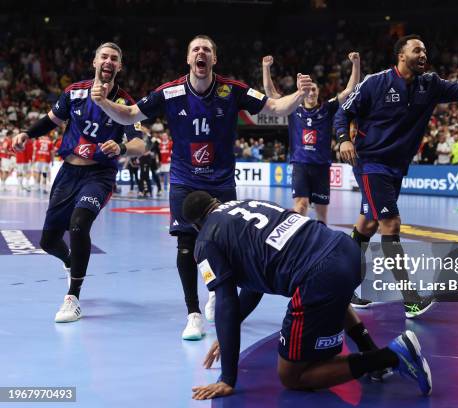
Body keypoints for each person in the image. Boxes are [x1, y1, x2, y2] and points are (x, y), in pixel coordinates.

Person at [91, 35, 313, 340]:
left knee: (224, 246)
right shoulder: (169, 92)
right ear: (188, 59)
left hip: (220, 183)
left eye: (206, 50)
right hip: (184, 180)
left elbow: (276, 107)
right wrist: (103, 102)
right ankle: (192, 313)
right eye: (195, 49)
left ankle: (217, 293)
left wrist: (300, 95)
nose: (201, 53)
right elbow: (129, 115)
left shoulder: (232, 90)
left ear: (213, 60)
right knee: (185, 246)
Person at [181, 191, 432, 400]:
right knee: (332, 295)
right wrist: (230, 331)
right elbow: (254, 285)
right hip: (347, 250)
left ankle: (390, 356)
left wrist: (227, 378)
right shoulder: (249, 203)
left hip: (320, 276)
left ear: (195, 226)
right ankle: (371, 350)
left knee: (292, 376)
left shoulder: (206, 240)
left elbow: (225, 302)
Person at [334, 34, 458, 315]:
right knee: (390, 224)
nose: (423, 54)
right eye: (417, 50)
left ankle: (338, 286)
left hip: (396, 167)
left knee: (368, 224)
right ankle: (411, 299)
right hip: (371, 163)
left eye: (425, 50)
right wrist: (343, 138)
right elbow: (342, 113)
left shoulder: (430, 85)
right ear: (401, 55)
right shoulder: (375, 82)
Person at [12, 42, 146, 323]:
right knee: (48, 241)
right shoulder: (74, 92)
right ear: (95, 62)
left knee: (79, 223)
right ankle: (71, 263)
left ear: (119, 67)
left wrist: (121, 148)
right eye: (104, 57)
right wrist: (27, 133)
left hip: (99, 175)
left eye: (114, 59)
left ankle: (72, 297)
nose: (108, 61)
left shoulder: (124, 104)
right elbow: (52, 120)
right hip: (68, 172)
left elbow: (139, 144)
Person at [262, 53, 360, 224]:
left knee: (322, 215)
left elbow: (349, 91)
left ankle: (321, 245)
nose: (311, 92)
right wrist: (266, 68)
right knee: (301, 206)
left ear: (318, 92)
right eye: (308, 89)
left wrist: (356, 64)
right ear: (302, 92)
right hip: (300, 165)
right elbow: (271, 93)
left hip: (321, 166)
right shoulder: (293, 108)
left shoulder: (327, 108)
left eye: (314, 89)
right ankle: (300, 243)